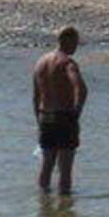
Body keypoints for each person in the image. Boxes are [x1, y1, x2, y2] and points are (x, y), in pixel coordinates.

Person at [32, 26, 88, 195]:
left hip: (45, 116)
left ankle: (44, 205)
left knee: (46, 165)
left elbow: (36, 96)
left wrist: (39, 120)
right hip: (64, 116)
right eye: (75, 42)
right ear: (66, 40)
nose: (76, 46)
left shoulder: (40, 63)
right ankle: (65, 205)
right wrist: (76, 113)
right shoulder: (68, 63)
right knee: (65, 168)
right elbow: (81, 89)